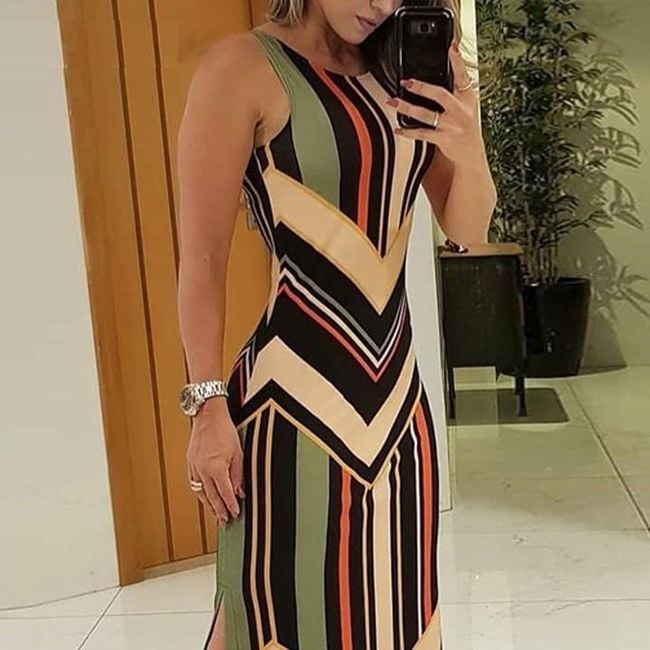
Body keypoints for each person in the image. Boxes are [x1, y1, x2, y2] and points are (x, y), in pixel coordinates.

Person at [176, 0, 496, 648]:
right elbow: (202, 261)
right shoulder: (241, 68)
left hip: (400, 418)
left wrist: (469, 146)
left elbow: (467, 230)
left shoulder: (409, 71)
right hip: (290, 412)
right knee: (277, 615)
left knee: (399, 618)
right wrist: (206, 409)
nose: (380, 4)